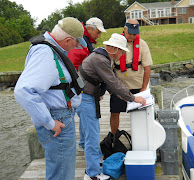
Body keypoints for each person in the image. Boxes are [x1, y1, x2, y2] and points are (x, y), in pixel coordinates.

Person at [14, 17, 87, 180]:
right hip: (58, 120)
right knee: (62, 173)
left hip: (60, 117)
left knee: (62, 169)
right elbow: (23, 91)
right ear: (68, 40)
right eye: (76, 43)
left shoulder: (50, 48)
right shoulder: (45, 52)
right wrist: (49, 122)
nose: (77, 46)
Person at [79, 33, 146, 180]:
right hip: (85, 98)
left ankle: (94, 161)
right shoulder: (101, 60)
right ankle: (92, 174)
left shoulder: (100, 56)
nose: (122, 54)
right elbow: (113, 82)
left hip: (84, 95)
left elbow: (107, 81)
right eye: (122, 51)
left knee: (87, 133)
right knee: (93, 135)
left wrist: (119, 94)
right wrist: (133, 98)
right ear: (114, 49)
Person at [68, 17, 106, 152]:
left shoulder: (86, 41)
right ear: (89, 29)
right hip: (79, 87)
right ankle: (85, 147)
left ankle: (83, 143)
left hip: (82, 86)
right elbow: (73, 67)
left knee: (83, 117)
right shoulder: (80, 43)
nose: (100, 35)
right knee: (84, 117)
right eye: (98, 32)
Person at [110, 19, 153, 134]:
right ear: (124, 29)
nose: (132, 36)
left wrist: (144, 88)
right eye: (130, 33)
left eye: (135, 34)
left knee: (139, 114)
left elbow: (147, 68)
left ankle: (140, 136)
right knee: (114, 112)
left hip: (137, 87)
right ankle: (114, 136)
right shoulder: (115, 43)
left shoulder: (142, 44)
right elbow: (108, 68)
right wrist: (111, 88)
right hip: (120, 87)